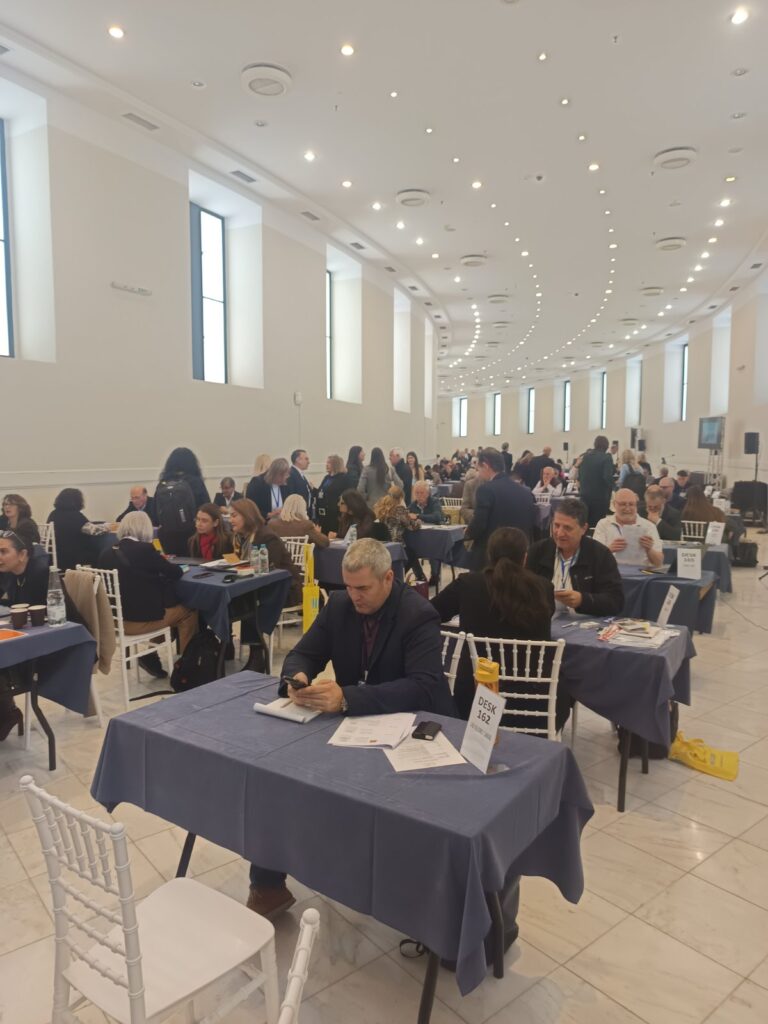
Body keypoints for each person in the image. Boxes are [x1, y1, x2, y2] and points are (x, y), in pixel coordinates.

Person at [246, 538, 455, 918]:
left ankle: (419, 902)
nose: (354, 596)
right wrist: (298, 677)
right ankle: (268, 885)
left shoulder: (418, 614)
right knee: (278, 778)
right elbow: (303, 652)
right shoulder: (340, 605)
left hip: (411, 729)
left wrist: (347, 698)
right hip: (354, 726)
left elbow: (423, 687)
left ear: (388, 578)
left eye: (363, 588)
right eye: (348, 586)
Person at [432, 527, 556, 720]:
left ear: (489, 555)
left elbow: (431, 612)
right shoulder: (544, 588)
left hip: (474, 698)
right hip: (533, 701)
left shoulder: (468, 584)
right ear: (525, 557)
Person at [98, 511, 199, 661]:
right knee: (188, 611)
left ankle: (150, 656)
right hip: (139, 622)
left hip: (115, 621)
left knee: (160, 611)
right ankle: (186, 664)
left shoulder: (105, 553)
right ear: (146, 528)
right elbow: (175, 572)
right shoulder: (144, 549)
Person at [527, 497, 624, 616]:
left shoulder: (600, 555)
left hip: (587, 622)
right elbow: (523, 593)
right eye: (556, 525)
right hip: (543, 620)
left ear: (583, 529)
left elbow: (616, 601)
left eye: (567, 528)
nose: (559, 533)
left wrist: (583, 600)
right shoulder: (538, 551)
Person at [0, 531, 51, 739]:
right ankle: (7, 710)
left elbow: (54, 617)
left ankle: (7, 713)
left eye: (3, 552)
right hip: (24, 639)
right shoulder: (9, 574)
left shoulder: (41, 574)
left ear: (22, 554)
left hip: (50, 644)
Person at [465, 448, 536, 569]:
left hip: (492, 557)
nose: (479, 473)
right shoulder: (525, 492)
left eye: (479, 469)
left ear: (486, 466)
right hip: (518, 557)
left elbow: (479, 524)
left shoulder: (486, 489)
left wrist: (467, 533)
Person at [155, 448, 211, 555]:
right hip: (192, 534)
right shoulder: (196, 482)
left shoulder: (163, 483)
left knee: (172, 563)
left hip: (167, 536)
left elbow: (155, 514)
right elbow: (207, 508)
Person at [592, 489, 663, 567]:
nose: (627, 508)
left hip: (641, 573)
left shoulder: (649, 527)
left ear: (636, 505)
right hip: (610, 571)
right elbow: (593, 558)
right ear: (614, 504)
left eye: (631, 504)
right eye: (623, 504)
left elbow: (659, 563)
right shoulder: (603, 524)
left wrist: (649, 550)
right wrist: (609, 550)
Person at [47, 489, 111, 572]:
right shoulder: (75, 516)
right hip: (74, 557)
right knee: (103, 552)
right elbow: (95, 531)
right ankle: (96, 578)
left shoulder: (53, 514)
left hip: (57, 556)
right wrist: (108, 526)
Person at [577, 435, 615, 526]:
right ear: (606, 446)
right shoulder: (606, 458)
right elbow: (607, 477)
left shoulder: (584, 457)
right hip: (599, 498)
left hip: (584, 496)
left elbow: (580, 475)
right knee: (597, 526)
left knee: (584, 524)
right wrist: (615, 488)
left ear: (595, 444)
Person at [315, 455, 351, 535]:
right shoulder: (327, 477)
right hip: (323, 515)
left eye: (329, 463)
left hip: (334, 514)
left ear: (336, 464)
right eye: (326, 462)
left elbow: (346, 495)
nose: (326, 465)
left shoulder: (343, 478)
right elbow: (321, 491)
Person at [246, 457, 291, 521]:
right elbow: (250, 507)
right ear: (275, 474)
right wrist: (269, 515)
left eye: (287, 475)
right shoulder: (257, 483)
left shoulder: (285, 484)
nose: (285, 478)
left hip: (282, 522)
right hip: (263, 522)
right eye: (283, 476)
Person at [285, 449, 316, 518]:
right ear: (298, 460)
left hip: (304, 513)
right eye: (306, 459)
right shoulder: (291, 474)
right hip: (297, 514)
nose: (309, 462)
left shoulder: (300, 474)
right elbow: (291, 496)